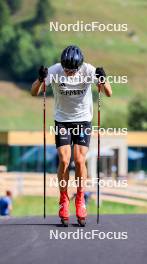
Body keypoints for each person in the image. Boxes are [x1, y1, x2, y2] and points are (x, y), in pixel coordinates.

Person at [31, 45, 112, 226]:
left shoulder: (88, 70)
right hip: (62, 120)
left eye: (72, 71)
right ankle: (63, 199)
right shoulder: (55, 70)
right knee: (64, 159)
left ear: (80, 66)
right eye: (66, 70)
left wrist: (103, 79)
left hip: (83, 120)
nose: (68, 73)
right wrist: (40, 79)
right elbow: (33, 92)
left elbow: (108, 92)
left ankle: (81, 199)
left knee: (79, 159)